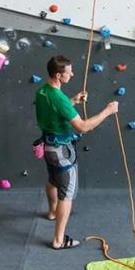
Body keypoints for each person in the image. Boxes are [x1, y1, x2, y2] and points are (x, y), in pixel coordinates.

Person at [35, 55, 119, 250]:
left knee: (53, 180)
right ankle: (58, 240)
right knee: (67, 192)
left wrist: (72, 101)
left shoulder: (42, 91)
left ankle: (52, 212)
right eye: (68, 72)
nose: (72, 74)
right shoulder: (58, 98)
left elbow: (54, 110)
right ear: (58, 75)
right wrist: (108, 111)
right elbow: (82, 127)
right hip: (61, 151)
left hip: (48, 147)